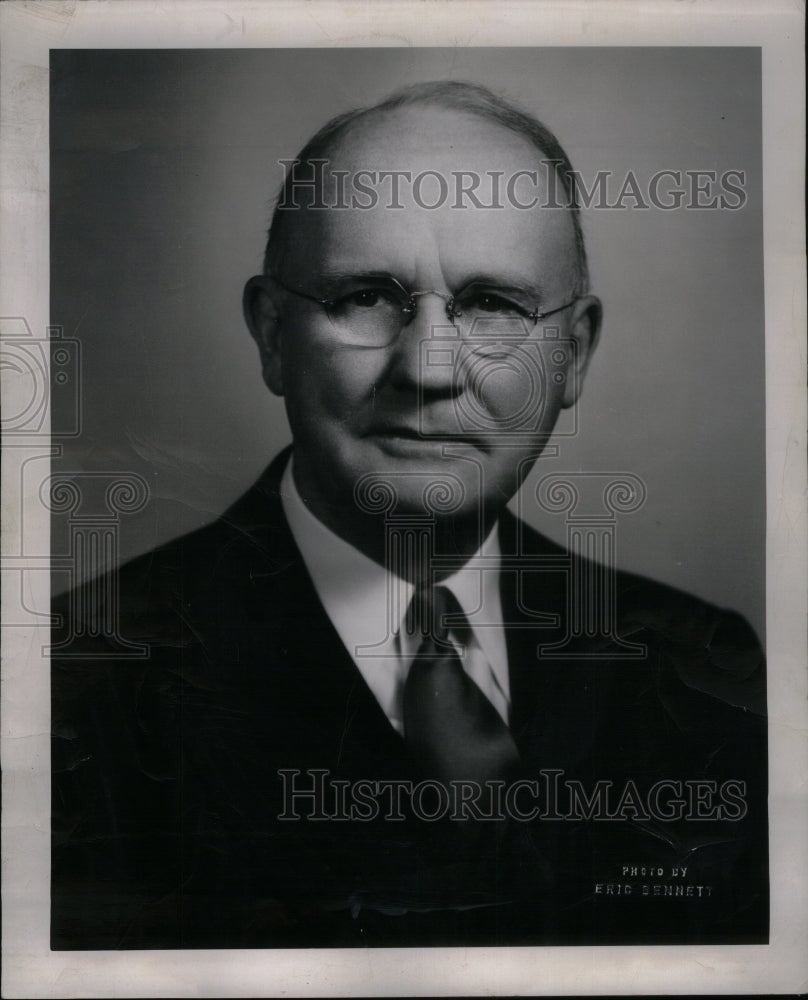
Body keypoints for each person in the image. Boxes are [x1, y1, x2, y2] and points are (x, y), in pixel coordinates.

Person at [51, 81, 767, 949]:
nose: (429, 370)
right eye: (365, 297)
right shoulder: (76, 682)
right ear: (274, 336)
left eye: (493, 305)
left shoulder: (702, 668)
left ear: (573, 355)